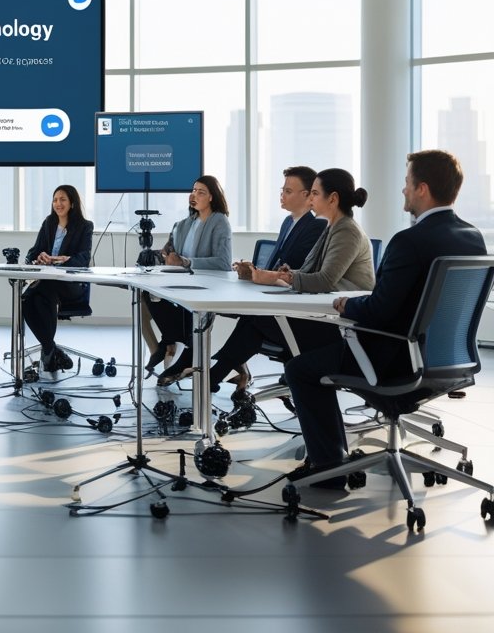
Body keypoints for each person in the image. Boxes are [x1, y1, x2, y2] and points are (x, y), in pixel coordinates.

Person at [286, 150, 487, 487]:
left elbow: (379, 310)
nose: (403, 190)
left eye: (407, 183)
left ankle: (328, 468)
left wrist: (347, 307)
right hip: (449, 360)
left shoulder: (409, 241)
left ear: (422, 189)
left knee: (300, 369)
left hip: (395, 363)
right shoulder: (472, 237)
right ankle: (330, 460)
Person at [173, 168, 376, 392]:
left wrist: (281, 277)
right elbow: (308, 270)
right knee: (256, 319)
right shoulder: (332, 228)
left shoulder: (347, 231)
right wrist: (280, 274)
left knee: (258, 319)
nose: (311, 199)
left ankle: (215, 374)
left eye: (315, 194)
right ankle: (216, 374)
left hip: (340, 325)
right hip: (324, 312)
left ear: (333, 198)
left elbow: (325, 280)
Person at [144, 175, 233, 380]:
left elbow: (223, 262)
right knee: (149, 295)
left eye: (201, 192)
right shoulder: (185, 223)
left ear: (212, 197)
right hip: (183, 282)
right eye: (193, 190)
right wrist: (164, 255)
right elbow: (173, 252)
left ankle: (178, 346)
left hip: (207, 285)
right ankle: (171, 342)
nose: (194, 195)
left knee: (163, 300)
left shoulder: (219, 221)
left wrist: (186, 262)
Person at [21, 184, 93, 373]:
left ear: (72, 203)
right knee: (27, 299)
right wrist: (39, 257)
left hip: (70, 284)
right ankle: (51, 350)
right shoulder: (49, 223)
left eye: (62, 199)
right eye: (55, 200)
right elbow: (33, 251)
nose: (58, 204)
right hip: (47, 282)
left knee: (45, 290)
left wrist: (67, 259)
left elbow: (85, 258)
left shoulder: (85, 226)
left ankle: (50, 353)